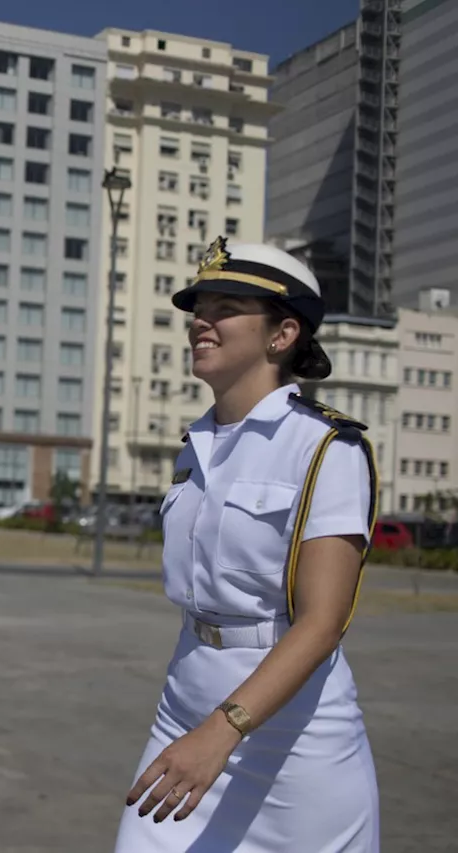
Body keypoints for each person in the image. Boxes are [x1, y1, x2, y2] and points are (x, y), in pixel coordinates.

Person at [113, 237, 380, 852]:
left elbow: (323, 622)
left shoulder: (324, 448)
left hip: (290, 738)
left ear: (282, 335)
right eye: (199, 308)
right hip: (183, 704)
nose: (201, 321)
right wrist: (202, 724)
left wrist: (224, 729)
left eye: (226, 307)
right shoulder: (194, 446)